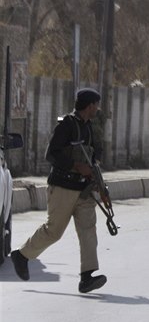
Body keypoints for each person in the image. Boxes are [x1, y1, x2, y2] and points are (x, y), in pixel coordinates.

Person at [11, 88, 107, 293]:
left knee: (88, 231)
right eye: (96, 105)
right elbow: (51, 154)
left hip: (84, 189)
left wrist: (94, 172)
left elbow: (95, 153)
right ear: (89, 105)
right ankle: (22, 255)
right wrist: (75, 166)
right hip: (63, 187)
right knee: (54, 232)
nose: (98, 109)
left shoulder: (90, 128)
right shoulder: (66, 125)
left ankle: (87, 277)